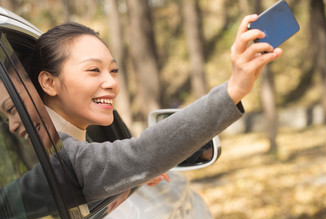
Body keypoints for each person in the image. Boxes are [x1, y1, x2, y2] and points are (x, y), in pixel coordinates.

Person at [23, 14, 281, 203]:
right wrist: (234, 88)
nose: (111, 82)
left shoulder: (46, 152)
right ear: (48, 82)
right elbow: (141, 153)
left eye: (114, 70)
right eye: (93, 70)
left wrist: (126, 180)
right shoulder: (61, 157)